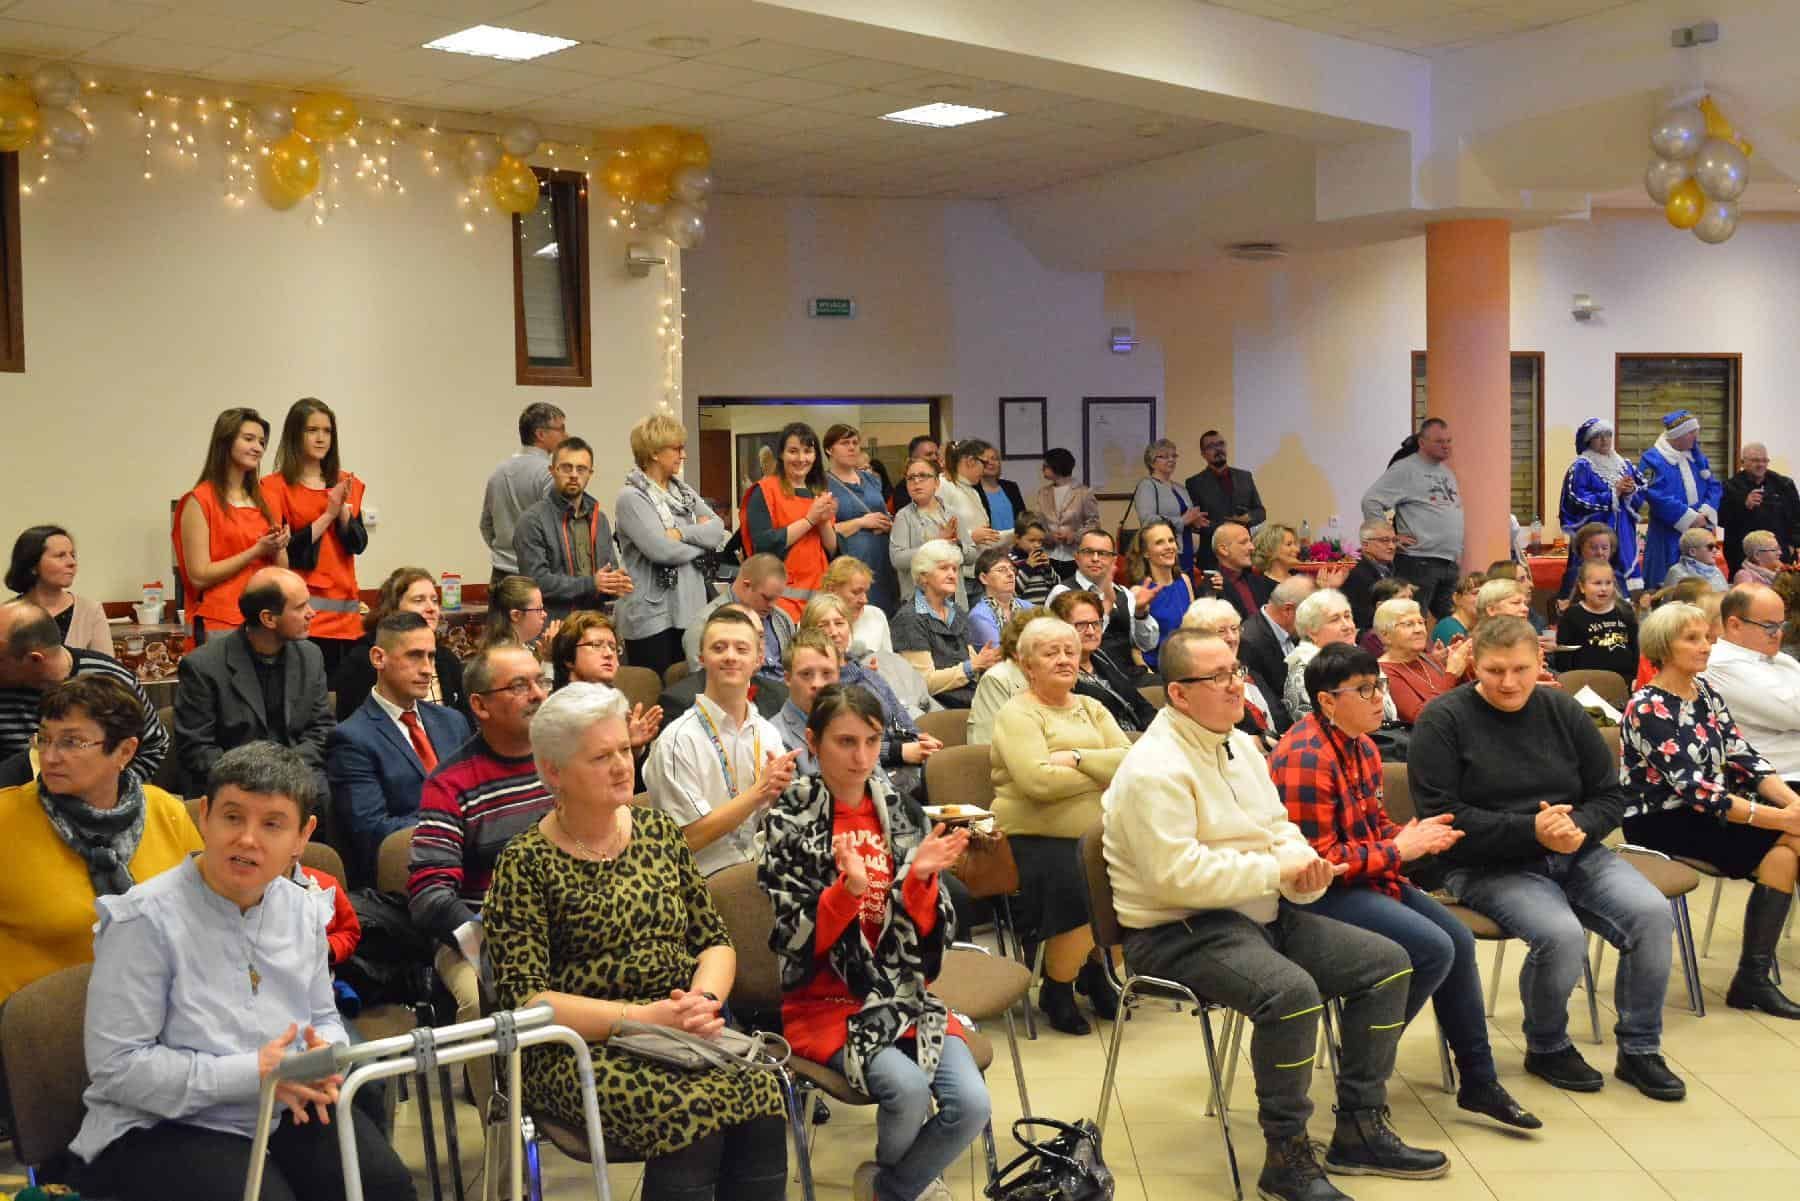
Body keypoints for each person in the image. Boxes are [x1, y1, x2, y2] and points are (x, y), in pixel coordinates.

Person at [1102, 628, 1447, 1201]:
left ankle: (1360, 1126)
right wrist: (1276, 872)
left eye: (1236, 671)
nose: (1235, 685)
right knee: (1291, 994)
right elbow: (1175, 876)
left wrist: (1302, 864)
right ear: (1178, 694)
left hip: (1256, 910)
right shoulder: (1153, 769)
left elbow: (1277, 827)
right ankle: (1285, 1156)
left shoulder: (1238, 745)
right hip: (1176, 928)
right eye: (1218, 677)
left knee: (1389, 964)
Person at [68, 743, 416, 1201]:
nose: (248, 840)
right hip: (163, 1122)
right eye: (232, 817)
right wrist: (254, 1073)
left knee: (383, 1187)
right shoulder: (142, 921)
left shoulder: (304, 909)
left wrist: (322, 1057)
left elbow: (323, 1017)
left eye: (272, 824)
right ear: (205, 817)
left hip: (280, 1100)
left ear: (302, 836)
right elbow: (119, 1069)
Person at [483, 684, 788, 1201]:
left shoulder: (659, 833)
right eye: (601, 757)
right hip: (579, 1045)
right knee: (692, 1112)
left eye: (624, 749)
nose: (622, 766)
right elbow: (527, 1001)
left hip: (679, 1027)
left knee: (762, 1091)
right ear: (554, 771)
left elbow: (714, 941)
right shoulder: (524, 862)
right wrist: (644, 1018)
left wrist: (703, 1002)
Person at [1409, 616, 1683, 1099]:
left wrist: (1578, 829)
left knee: (1653, 916)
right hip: (1486, 863)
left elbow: (1609, 796)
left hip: (1574, 850)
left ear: (1540, 662)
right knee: (1561, 936)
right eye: (1494, 671)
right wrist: (1531, 830)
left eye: (1520, 669)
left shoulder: (1561, 709)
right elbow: (1442, 817)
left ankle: (1640, 1049)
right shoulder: (1443, 720)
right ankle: (1547, 1045)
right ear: (1473, 665)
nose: (1508, 682)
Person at [1270, 643, 1538, 1129]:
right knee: (1433, 948)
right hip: (1317, 895)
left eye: (1379, 685)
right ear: (1327, 701)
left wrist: (1415, 837)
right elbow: (1317, 863)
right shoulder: (1305, 757)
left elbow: (1374, 828)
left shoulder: (1364, 746)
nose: (1379, 698)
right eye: (1364, 690)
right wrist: (1400, 850)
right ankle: (1365, 1059)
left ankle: (1478, 1079)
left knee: (1457, 940)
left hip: (1368, 877)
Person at [763, 684, 988, 1201]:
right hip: (826, 1002)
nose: (861, 757)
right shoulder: (790, 818)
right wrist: (848, 892)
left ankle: (889, 1189)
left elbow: (926, 936)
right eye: (845, 742)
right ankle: (904, 1190)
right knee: (908, 1091)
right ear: (813, 743)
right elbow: (795, 941)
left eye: (871, 741)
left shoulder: (899, 810)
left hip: (902, 995)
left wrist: (920, 882)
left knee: (971, 1104)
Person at [1622, 600, 1800, 1019]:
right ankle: (1752, 980)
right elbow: (1695, 791)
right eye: (1693, 639)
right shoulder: (1647, 706)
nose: (1706, 646)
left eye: (1707, 637)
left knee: (1785, 851)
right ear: (1664, 646)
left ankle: (1751, 979)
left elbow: (1744, 757)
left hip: (1707, 808)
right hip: (1660, 819)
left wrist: (1793, 803)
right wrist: (1782, 817)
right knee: (1789, 837)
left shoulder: (1704, 693)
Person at [0, 675, 199, 1006]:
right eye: (44, 739)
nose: (49, 757)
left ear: (125, 751)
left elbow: (199, 915)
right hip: (43, 1019)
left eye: (71, 742)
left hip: (153, 1003)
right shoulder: (7, 818)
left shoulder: (165, 811)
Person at [991, 615, 1132, 1034]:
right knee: (1077, 884)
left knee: (1135, 873)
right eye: (1051, 653)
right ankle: (1058, 986)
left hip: (1100, 834)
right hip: (1034, 839)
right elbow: (1038, 783)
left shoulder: (1092, 707)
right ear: (1026, 664)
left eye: (1070, 651)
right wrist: (1100, 773)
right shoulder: (1018, 713)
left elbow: (1130, 763)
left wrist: (1075, 758)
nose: (1065, 659)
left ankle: (1099, 970)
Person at [407, 641, 554, 948]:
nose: (538, 695)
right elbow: (429, 896)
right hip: (491, 938)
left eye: (541, 681)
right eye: (519, 686)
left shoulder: (567, 758)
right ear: (480, 705)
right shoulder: (450, 784)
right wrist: (494, 943)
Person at [645, 608, 799, 876]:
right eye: (719, 648)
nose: (730, 656)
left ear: (758, 659)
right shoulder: (677, 740)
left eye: (741, 649)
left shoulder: (767, 733)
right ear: (702, 658)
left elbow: (776, 821)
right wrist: (759, 792)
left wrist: (781, 799)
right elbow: (686, 840)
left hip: (759, 872)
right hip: (700, 883)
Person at [326, 613, 472, 884]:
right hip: (408, 875)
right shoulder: (351, 739)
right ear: (378, 658)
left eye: (431, 656)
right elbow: (372, 831)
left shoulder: (453, 722)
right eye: (415, 656)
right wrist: (453, 824)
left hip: (471, 861)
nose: (427, 669)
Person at [171, 569, 332, 800]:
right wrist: (258, 780)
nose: (312, 613)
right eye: (300, 607)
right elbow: (198, 749)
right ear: (268, 619)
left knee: (332, 794)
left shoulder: (310, 656)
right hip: (232, 785)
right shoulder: (202, 666)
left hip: (297, 777)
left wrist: (284, 773)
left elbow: (322, 729)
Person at [0, 601, 169, 787]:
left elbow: (153, 747)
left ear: (34, 659)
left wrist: (109, 791)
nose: (50, 756)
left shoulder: (111, 681)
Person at [614, 413, 731, 681]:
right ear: (654, 453)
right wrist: (701, 544)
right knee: (654, 690)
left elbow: (717, 531)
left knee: (686, 688)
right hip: (651, 618)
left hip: (690, 611)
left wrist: (681, 533)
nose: (683, 455)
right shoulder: (631, 498)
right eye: (677, 448)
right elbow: (662, 551)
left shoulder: (684, 492)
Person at [260, 398, 368, 675]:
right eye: (312, 430)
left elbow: (358, 544)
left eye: (327, 431)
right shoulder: (275, 487)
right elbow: (286, 553)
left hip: (345, 617)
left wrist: (341, 510)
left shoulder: (346, 482)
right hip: (302, 615)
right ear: (295, 435)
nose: (321, 438)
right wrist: (328, 514)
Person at [798, 596, 939, 794]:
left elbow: (903, 719)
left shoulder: (868, 673)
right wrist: (899, 752)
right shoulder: (819, 687)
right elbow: (845, 748)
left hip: (904, 764)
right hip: (868, 776)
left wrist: (920, 741)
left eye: (839, 623)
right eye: (823, 625)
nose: (834, 632)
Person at [175, 407, 289, 642]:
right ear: (225, 442)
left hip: (265, 621)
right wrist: (256, 551)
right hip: (220, 623)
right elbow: (199, 576)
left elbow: (282, 571)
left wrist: (278, 547)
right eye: (248, 439)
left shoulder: (268, 499)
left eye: (262, 442)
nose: (258, 448)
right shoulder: (200, 500)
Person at [513, 436, 632, 622]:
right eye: (566, 468)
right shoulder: (532, 520)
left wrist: (616, 584)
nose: (574, 475)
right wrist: (592, 584)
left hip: (594, 624)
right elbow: (535, 582)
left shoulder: (599, 519)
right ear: (552, 471)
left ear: (590, 473)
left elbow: (608, 573)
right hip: (553, 626)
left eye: (581, 469)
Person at [329, 566, 467, 720]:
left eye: (434, 600)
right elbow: (354, 723)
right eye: (419, 600)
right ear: (393, 608)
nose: (431, 608)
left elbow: (465, 721)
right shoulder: (362, 660)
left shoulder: (447, 659)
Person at [1361, 418, 1464, 619]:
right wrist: (1389, 538)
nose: (1446, 446)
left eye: (1448, 441)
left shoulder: (1446, 473)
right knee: (1412, 620)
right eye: (1439, 441)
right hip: (1418, 560)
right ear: (1422, 442)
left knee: (1453, 623)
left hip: (1449, 561)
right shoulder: (1405, 469)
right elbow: (1370, 501)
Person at [743, 422, 837, 621]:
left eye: (808, 451)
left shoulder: (819, 492)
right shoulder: (765, 490)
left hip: (817, 603)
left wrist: (823, 522)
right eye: (793, 451)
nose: (801, 459)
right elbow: (764, 543)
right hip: (778, 603)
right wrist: (809, 520)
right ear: (781, 454)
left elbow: (832, 549)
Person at [1707, 584, 1800, 780]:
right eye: (1770, 627)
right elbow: (1794, 712)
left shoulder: (1778, 658)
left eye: (1781, 625)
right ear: (1735, 625)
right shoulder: (1720, 664)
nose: (1779, 634)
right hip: (1776, 781)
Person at [891, 541, 998, 710]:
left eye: (954, 569)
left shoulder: (957, 611)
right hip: (938, 708)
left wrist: (985, 663)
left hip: (972, 700)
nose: (952, 575)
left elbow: (973, 663)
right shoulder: (909, 619)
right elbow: (923, 682)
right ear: (923, 576)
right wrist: (973, 666)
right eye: (943, 568)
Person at [1047, 527, 1160, 677]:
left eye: (1103, 553)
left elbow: (1147, 644)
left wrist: (1141, 614)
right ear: (1077, 557)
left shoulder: (1124, 594)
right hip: (1086, 678)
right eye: (1088, 552)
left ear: (1114, 560)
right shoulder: (1062, 593)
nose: (1095, 558)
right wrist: (1106, 607)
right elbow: (1056, 645)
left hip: (1128, 676)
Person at [480, 402, 566, 590]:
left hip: (501, 575)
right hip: (536, 577)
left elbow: (486, 525)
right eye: (561, 429)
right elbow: (556, 528)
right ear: (540, 434)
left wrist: (504, 552)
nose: (566, 435)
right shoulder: (549, 474)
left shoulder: (498, 472)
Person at [1558, 418, 1647, 597]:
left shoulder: (1623, 464)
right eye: (1599, 436)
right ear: (1589, 441)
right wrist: (1613, 493)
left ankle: (1625, 603)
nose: (1605, 440)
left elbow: (1642, 488)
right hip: (1595, 533)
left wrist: (1630, 491)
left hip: (1623, 531)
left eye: (1608, 435)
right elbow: (1576, 499)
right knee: (1592, 573)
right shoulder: (1582, 466)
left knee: (1624, 576)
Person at [1048, 590, 1157, 734]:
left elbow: (1139, 703)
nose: (1091, 632)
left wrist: (1160, 731)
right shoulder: (1058, 674)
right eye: (1081, 625)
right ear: (1060, 628)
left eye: (1095, 623)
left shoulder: (1103, 656)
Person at [1639, 409, 1722, 589]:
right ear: (1678, 435)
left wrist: (1705, 513)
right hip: (1667, 534)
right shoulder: (1653, 459)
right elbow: (1655, 494)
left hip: (1700, 532)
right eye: (1692, 433)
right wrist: (1690, 518)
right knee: (1668, 584)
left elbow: (1714, 486)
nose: (1696, 437)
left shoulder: (1697, 458)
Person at [1284, 589, 1396, 723]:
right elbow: (1320, 727)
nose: (1347, 626)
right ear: (1312, 632)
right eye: (1335, 620)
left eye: (1347, 616)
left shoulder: (1361, 658)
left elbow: (1388, 714)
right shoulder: (1304, 672)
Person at [822, 423, 899, 616]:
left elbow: (883, 513)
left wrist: (889, 524)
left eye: (855, 443)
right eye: (845, 443)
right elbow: (822, 532)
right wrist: (861, 522)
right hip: (850, 566)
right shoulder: (822, 484)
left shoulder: (871, 479)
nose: (852, 448)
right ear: (829, 449)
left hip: (883, 562)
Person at [1179, 597, 1283, 738]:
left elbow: (1280, 716)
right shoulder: (1202, 686)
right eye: (1221, 631)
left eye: (1234, 629)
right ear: (1199, 638)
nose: (1232, 638)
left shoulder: (1247, 670)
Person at [685, 553, 796, 676]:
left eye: (776, 599)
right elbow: (703, 680)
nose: (772, 605)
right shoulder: (704, 624)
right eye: (766, 598)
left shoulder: (782, 620)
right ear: (746, 585)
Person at [5, 524, 109, 654]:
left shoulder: (91, 611)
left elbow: (107, 666)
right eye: (60, 555)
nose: (72, 563)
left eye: (72, 555)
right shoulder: (6, 615)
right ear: (32, 565)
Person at [890, 456, 974, 609]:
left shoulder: (952, 514)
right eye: (911, 478)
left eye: (923, 476)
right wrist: (936, 543)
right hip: (920, 604)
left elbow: (972, 556)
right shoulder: (904, 516)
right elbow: (897, 559)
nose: (916, 482)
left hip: (955, 602)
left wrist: (957, 545)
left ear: (936, 482)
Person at [1374, 597, 1471, 725]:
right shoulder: (1382, 673)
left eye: (1421, 622)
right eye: (1409, 624)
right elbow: (1422, 718)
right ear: (1385, 635)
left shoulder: (1429, 659)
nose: (1419, 629)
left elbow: (1464, 696)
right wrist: (1452, 673)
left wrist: (1464, 663)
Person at [1182, 429, 1266, 573]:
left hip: (1244, 556)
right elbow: (1197, 523)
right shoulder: (1194, 483)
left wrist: (1248, 517)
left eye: (1221, 444)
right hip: (1211, 557)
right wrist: (1227, 529)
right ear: (1203, 454)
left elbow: (1260, 511)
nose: (1218, 449)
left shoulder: (1245, 477)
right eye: (1211, 446)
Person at [968, 606, 1053, 746]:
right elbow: (989, 743)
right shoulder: (997, 679)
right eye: (1043, 647)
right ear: (1017, 651)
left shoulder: (1054, 676)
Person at [1721, 441, 1800, 577]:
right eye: (1755, 460)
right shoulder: (1729, 487)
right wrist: (1744, 506)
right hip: (1743, 557)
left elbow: (1797, 517)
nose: (1761, 464)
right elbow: (1721, 519)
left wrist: (1793, 545)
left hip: (1781, 554)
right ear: (1742, 463)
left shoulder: (1784, 484)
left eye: (1764, 460)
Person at [770, 630, 843, 776]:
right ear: (788, 679)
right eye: (806, 674)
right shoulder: (773, 736)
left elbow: (881, 783)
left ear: (839, 675)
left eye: (827, 673)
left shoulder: (853, 722)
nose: (818, 684)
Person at [1239, 574, 1312, 716]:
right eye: (1310, 615)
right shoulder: (1249, 642)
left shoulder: (1295, 630)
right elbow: (1269, 706)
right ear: (1288, 610)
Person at [940, 440, 1005, 599]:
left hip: (979, 570)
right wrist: (971, 537)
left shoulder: (972, 490)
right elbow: (937, 532)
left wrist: (1014, 535)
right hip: (958, 574)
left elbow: (985, 535)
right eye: (984, 463)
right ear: (970, 461)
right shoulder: (943, 486)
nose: (985, 469)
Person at [1129, 518, 1195, 671]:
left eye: (1171, 540)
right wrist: (1150, 677)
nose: (1169, 547)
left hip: (1189, 663)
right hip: (1158, 670)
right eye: (1159, 542)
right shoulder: (1139, 592)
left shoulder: (1184, 581)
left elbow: (1194, 628)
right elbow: (1136, 650)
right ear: (1146, 553)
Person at [1557, 560, 1638, 683]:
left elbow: (1635, 648)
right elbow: (1564, 657)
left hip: (1625, 681)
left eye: (1608, 583)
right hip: (1586, 683)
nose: (1604, 588)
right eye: (1597, 583)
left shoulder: (1625, 611)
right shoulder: (1572, 616)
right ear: (1582, 587)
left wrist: (1635, 678)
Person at [1131, 438, 1204, 574]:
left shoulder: (1180, 488)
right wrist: (1182, 521)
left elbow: (1188, 517)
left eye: (1174, 456)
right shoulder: (1147, 485)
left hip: (1186, 548)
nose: (1171, 460)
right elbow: (1147, 520)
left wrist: (1196, 520)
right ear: (1152, 462)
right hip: (1163, 550)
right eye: (1164, 456)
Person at [1034, 448, 1100, 581]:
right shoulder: (1043, 493)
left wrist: (1074, 535)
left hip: (1075, 555)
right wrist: (1048, 536)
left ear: (1057, 467)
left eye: (1046, 466)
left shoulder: (1083, 493)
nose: (1042, 469)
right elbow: (1037, 523)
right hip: (1049, 555)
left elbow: (1094, 524)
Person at [1555, 521, 1635, 610]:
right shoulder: (1574, 574)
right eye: (1593, 548)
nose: (1600, 553)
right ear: (1581, 549)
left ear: (1611, 550)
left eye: (1604, 548)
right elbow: (1563, 609)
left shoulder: (1617, 575)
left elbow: (1627, 606)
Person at [967, 546, 1033, 652]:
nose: (1010, 574)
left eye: (1012, 569)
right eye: (1001, 570)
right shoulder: (979, 616)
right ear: (984, 578)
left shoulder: (1030, 607)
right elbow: (999, 655)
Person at [823, 556, 893, 656]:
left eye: (865, 592)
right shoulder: (812, 622)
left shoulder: (876, 615)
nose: (864, 600)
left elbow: (889, 662)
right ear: (832, 590)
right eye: (856, 592)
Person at [482, 573, 556, 665]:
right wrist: (549, 659)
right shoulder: (510, 658)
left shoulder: (520, 647)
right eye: (539, 609)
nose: (544, 614)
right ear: (516, 615)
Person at [1342, 519, 1399, 634]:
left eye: (1394, 540)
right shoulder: (1358, 574)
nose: (1392, 546)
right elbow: (1363, 619)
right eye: (1385, 541)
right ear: (1365, 545)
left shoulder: (1390, 568)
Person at [1211, 520, 1274, 621]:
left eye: (1250, 541)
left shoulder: (1257, 581)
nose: (1252, 547)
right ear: (1224, 550)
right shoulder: (1212, 588)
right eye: (1243, 542)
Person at [976, 443, 1027, 553]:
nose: (991, 462)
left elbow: (1023, 517)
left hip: (1016, 548)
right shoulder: (973, 490)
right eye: (986, 460)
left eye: (994, 458)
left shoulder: (1011, 487)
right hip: (989, 550)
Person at [1009, 513, 1059, 606]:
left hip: (1043, 610)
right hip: (1023, 612)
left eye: (1040, 541)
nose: (1037, 545)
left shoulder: (1041, 558)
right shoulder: (1010, 561)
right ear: (1017, 538)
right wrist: (1027, 568)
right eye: (1032, 540)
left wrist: (1048, 568)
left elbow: (1056, 587)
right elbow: (1013, 591)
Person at [1431, 573, 1484, 647]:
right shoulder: (1448, 627)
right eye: (1475, 593)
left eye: (1484, 594)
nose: (1482, 598)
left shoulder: (1476, 628)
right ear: (1457, 598)